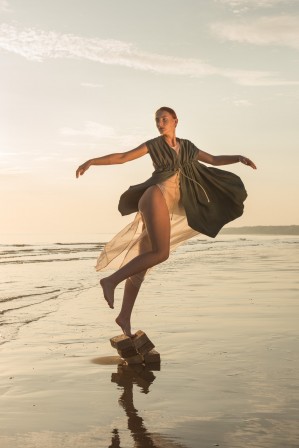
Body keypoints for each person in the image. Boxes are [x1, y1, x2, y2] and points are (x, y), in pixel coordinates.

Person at [76, 107, 256, 337]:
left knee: (144, 263)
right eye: (157, 120)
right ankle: (110, 281)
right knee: (162, 253)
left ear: (175, 121)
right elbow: (122, 158)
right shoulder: (154, 144)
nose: (160, 123)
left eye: (164, 119)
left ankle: (124, 317)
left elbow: (213, 159)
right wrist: (92, 161)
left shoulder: (188, 146)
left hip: (163, 202)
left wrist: (238, 158)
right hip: (156, 195)